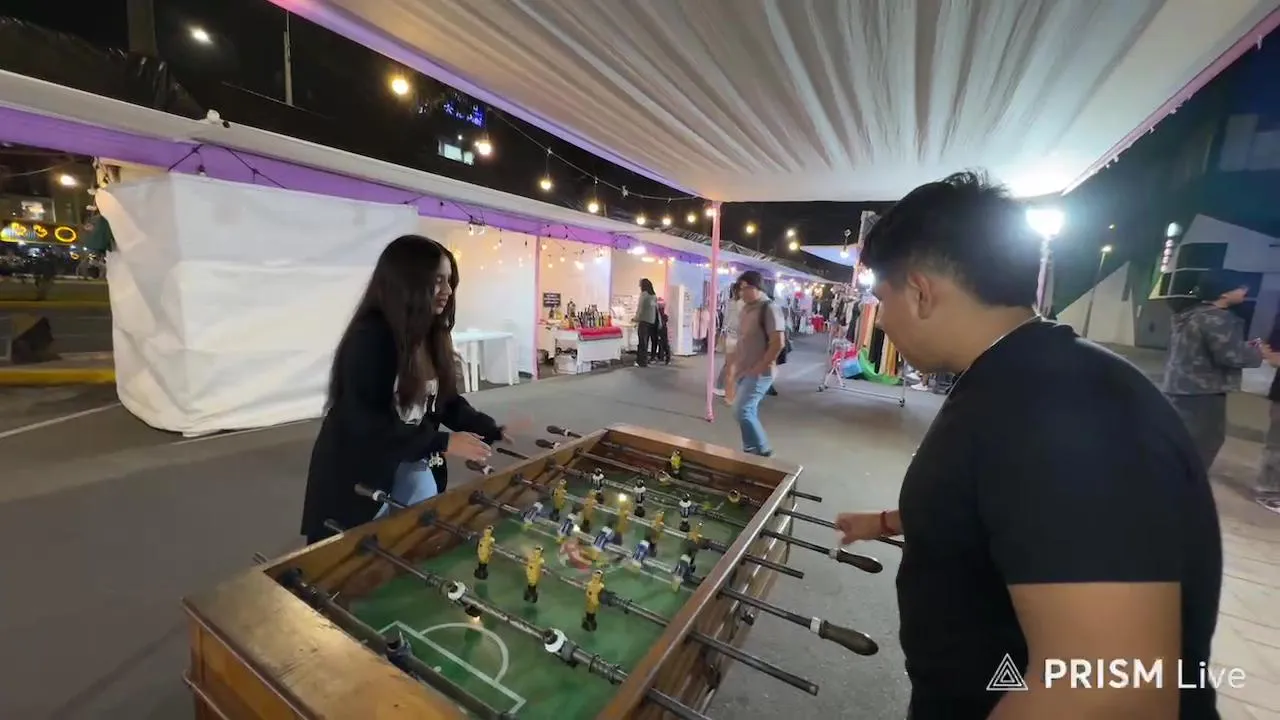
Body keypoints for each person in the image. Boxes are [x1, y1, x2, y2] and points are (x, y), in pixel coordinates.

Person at [833, 172, 1222, 720]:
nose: (883, 322)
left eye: (882, 299)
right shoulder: (1021, 376)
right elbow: (1002, 502)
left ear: (920, 291)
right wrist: (889, 521)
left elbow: (1110, 689)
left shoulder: (1065, 409)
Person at [300, 235, 507, 545]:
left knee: (412, 541)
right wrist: (443, 441)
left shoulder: (430, 333)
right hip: (356, 473)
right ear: (406, 282)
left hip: (409, 462)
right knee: (349, 559)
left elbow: (445, 401)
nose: (448, 292)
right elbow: (367, 423)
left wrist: (490, 429)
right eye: (437, 281)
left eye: (450, 281)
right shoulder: (370, 337)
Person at [1162, 270, 1264, 473]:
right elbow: (1231, 356)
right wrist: (1258, 353)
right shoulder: (1219, 318)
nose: (1245, 291)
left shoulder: (1190, 313)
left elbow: (1206, 348)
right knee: (1205, 442)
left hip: (1178, 386)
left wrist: (1243, 347)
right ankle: (1187, 485)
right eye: (1241, 287)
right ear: (1224, 293)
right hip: (1203, 391)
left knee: (1180, 438)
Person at [730, 270, 785, 456]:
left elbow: (778, 343)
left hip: (760, 371)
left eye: (746, 288)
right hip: (744, 369)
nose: (742, 292)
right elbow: (743, 339)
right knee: (748, 410)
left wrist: (761, 366)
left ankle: (763, 449)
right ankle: (750, 448)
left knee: (741, 410)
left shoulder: (769, 308)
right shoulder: (746, 309)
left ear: (758, 287)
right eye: (740, 288)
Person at [713, 281, 744, 398]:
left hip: (735, 336)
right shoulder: (737, 304)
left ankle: (724, 386)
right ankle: (721, 386)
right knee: (730, 364)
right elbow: (733, 322)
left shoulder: (732, 303)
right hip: (734, 336)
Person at [634, 278, 658, 367]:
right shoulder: (654, 296)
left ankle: (641, 361)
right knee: (646, 342)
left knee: (642, 342)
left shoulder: (644, 295)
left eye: (640, 284)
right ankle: (645, 360)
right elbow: (655, 309)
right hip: (651, 321)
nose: (639, 286)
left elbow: (640, 308)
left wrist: (635, 318)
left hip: (643, 321)